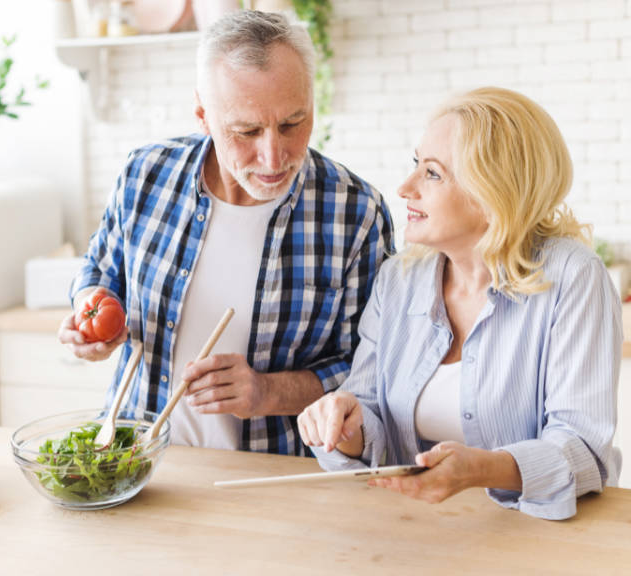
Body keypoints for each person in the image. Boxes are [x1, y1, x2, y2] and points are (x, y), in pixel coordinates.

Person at [58, 10, 394, 456]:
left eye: (293, 123)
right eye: (246, 131)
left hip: (273, 481)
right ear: (203, 114)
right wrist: (92, 314)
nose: (274, 157)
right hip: (137, 460)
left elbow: (373, 372)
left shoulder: (357, 213)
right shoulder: (145, 175)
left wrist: (266, 392)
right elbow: (100, 271)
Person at [297, 86, 623, 520]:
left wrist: (482, 470)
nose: (405, 187)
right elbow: (370, 409)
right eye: (417, 164)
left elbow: (583, 447)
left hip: (535, 536)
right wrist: (345, 423)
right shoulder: (398, 280)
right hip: (414, 532)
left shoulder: (573, 276)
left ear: (492, 194)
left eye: (432, 173)